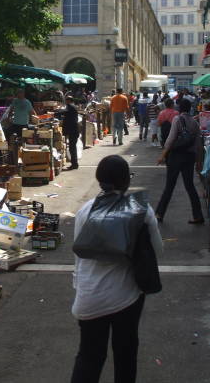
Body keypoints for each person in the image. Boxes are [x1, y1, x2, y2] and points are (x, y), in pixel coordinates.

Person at [71, 155, 162, 383]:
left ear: (99, 180)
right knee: (126, 353)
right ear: (126, 181)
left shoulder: (85, 211)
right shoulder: (142, 211)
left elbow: (78, 255)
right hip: (127, 297)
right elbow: (157, 250)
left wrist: (79, 285)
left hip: (90, 296)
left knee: (90, 357)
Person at [155, 98, 204, 224]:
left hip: (176, 156)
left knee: (169, 186)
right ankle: (198, 215)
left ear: (179, 108)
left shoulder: (177, 119)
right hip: (190, 157)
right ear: (190, 108)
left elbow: (170, 140)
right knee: (190, 186)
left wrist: (163, 155)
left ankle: (160, 214)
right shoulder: (195, 122)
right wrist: (199, 162)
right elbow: (198, 145)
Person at [62, 96, 80, 170]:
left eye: (66, 101)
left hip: (73, 130)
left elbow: (64, 112)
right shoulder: (73, 106)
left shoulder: (70, 107)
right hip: (74, 130)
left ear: (68, 101)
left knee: (72, 148)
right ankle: (74, 164)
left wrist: (55, 112)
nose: (66, 102)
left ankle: (74, 164)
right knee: (72, 148)